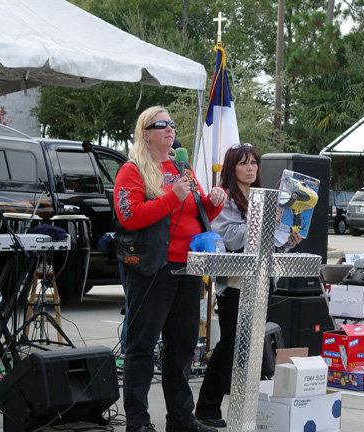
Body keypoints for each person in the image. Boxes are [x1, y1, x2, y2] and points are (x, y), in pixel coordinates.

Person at [114, 106, 227, 432]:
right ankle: (138, 422)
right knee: (141, 346)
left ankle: (180, 419)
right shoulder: (133, 169)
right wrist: (171, 197)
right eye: (160, 124)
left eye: (171, 124)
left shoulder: (182, 166)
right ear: (145, 133)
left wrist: (213, 201)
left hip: (188, 268)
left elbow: (197, 213)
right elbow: (129, 216)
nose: (169, 129)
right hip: (153, 268)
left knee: (182, 348)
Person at [194, 143, 302, 428]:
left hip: (262, 280)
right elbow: (229, 237)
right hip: (234, 283)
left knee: (251, 346)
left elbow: (270, 244)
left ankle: (242, 405)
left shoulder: (265, 196)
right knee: (230, 343)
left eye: (254, 163)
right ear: (232, 168)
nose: (250, 168)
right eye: (243, 163)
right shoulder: (225, 198)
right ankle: (207, 407)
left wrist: (288, 240)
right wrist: (262, 220)